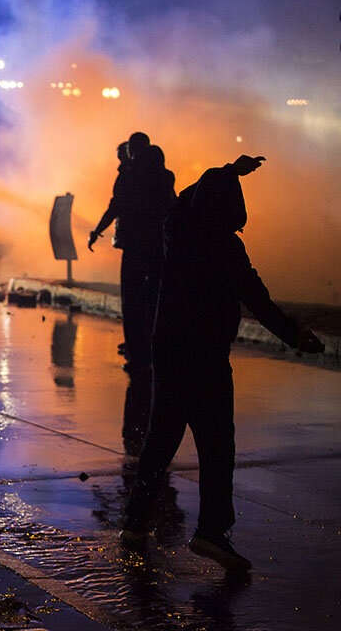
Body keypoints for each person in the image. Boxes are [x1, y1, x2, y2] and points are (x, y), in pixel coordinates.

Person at [121, 155, 324, 573]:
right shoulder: (227, 247)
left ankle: (135, 522)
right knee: (216, 446)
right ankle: (212, 532)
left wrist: (229, 169)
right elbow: (258, 299)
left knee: (160, 440)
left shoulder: (176, 230)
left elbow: (186, 200)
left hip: (170, 350)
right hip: (207, 357)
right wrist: (294, 335)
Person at [89, 133, 175, 372]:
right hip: (158, 246)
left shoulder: (129, 178)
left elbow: (115, 206)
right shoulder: (165, 178)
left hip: (134, 247)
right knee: (155, 299)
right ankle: (152, 349)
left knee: (133, 301)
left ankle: (136, 353)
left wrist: (97, 230)